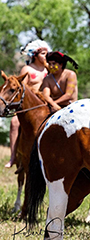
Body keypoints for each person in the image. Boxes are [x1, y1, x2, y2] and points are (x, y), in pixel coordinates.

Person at [5, 40, 51, 168]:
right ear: (35, 55)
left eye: (47, 53)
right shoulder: (27, 69)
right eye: (42, 53)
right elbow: (21, 88)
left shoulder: (49, 68)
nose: (45, 56)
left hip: (47, 102)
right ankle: (13, 156)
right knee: (14, 122)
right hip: (29, 105)